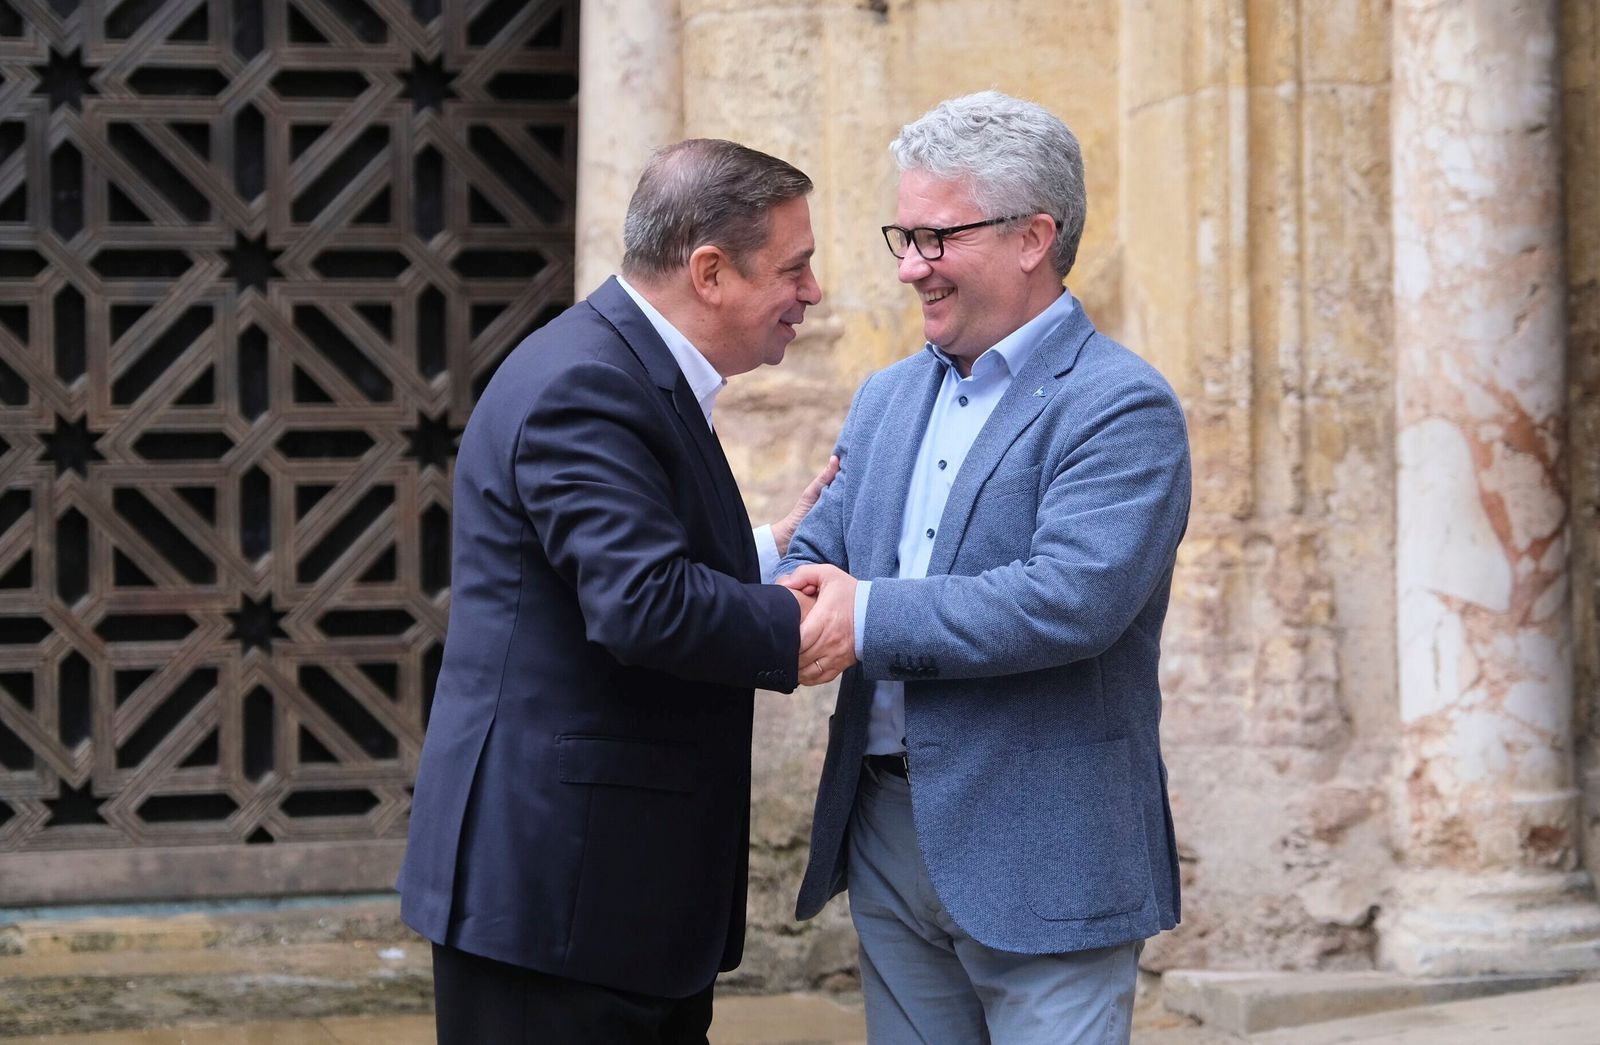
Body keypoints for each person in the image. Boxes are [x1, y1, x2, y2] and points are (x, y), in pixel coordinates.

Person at [399, 138, 835, 1045]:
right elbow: (642, 603)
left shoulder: (631, 368)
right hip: (557, 904)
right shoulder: (589, 383)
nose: (813, 294)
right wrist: (811, 624)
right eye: (795, 268)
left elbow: (619, 562)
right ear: (710, 271)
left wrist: (765, 552)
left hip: (610, 900)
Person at [778, 92, 1191, 1044]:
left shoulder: (1121, 406)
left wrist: (866, 618)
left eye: (935, 237)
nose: (906, 266)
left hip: (1044, 843)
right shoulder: (885, 397)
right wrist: (790, 596)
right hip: (884, 829)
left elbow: (1072, 598)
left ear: (1032, 237)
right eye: (901, 234)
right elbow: (819, 553)